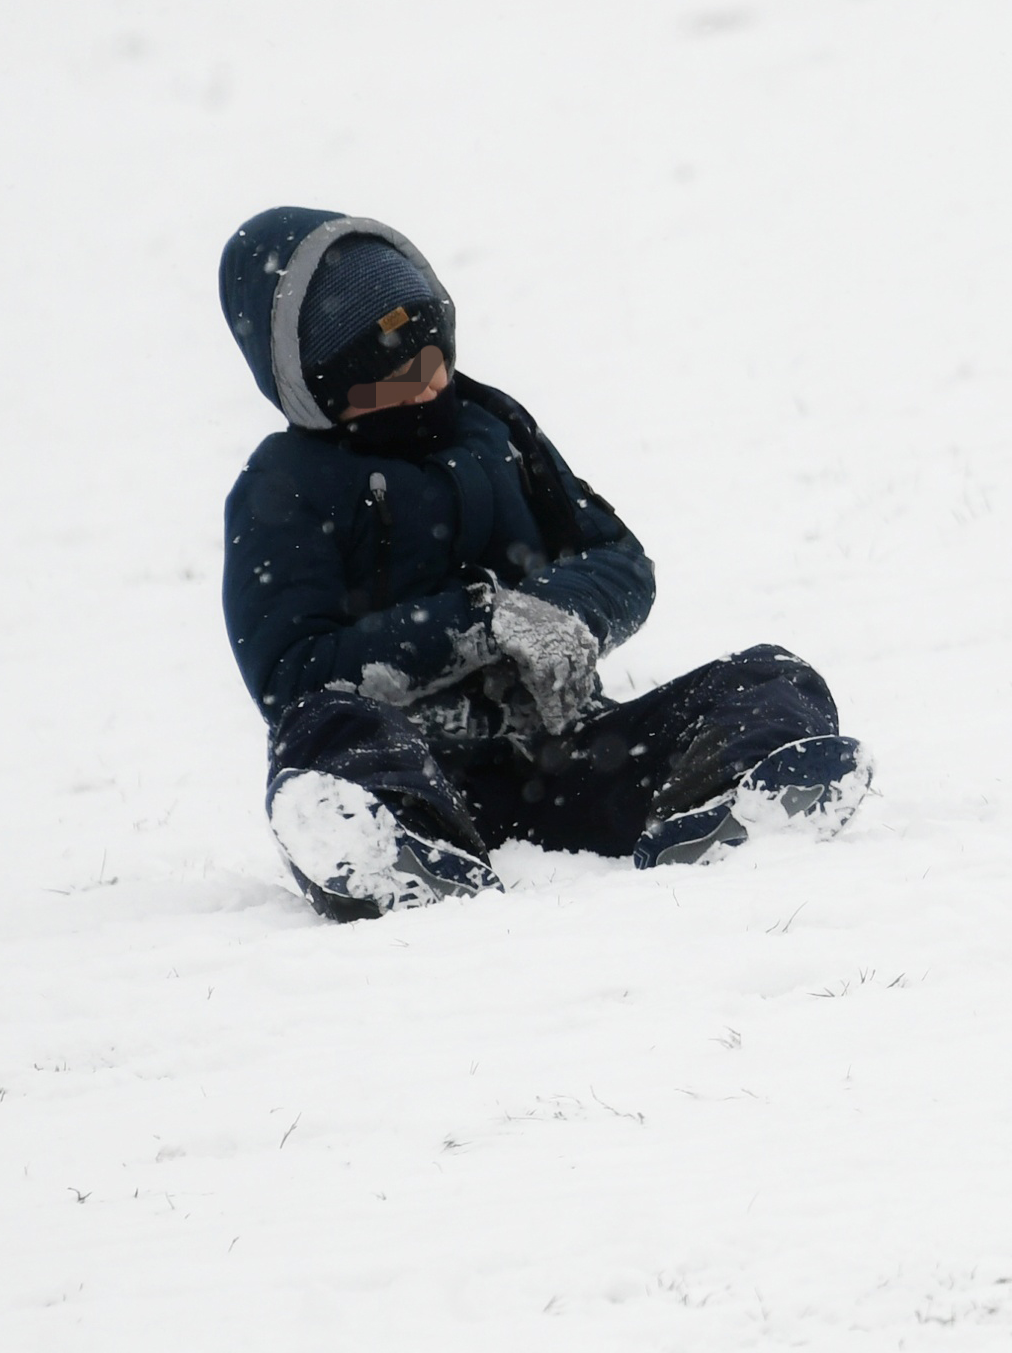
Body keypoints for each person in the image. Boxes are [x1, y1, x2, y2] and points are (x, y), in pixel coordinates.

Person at [213, 206, 866, 919]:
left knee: (774, 678)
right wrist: (478, 623)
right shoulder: (283, 488)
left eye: (438, 357)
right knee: (325, 735)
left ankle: (728, 810)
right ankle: (400, 854)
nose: (432, 385)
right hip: (417, 768)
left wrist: (553, 610)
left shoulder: (492, 426)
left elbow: (620, 558)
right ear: (327, 387)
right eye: (396, 376)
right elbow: (291, 676)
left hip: (564, 756)